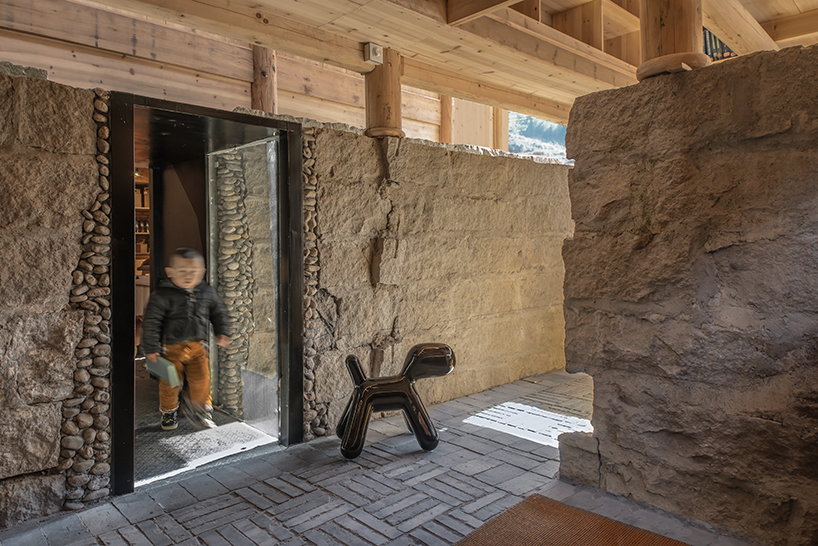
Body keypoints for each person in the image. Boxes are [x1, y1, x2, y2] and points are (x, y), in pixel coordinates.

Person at [141, 248, 230, 431]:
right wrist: (150, 347)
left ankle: (199, 410)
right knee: (170, 383)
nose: (188, 276)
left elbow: (219, 312)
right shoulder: (162, 295)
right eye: (182, 271)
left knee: (202, 379)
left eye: (194, 271)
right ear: (170, 272)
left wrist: (222, 331)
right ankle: (168, 411)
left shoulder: (207, 292)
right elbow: (151, 322)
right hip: (170, 348)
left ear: (203, 272)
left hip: (198, 346)